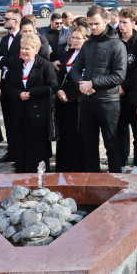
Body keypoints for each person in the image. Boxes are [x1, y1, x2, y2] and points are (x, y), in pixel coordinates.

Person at [68, 6, 127, 173]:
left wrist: (92, 83)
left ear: (106, 21)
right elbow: (75, 69)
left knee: (112, 145)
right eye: (90, 24)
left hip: (108, 102)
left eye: (96, 24)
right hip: (87, 102)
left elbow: (119, 76)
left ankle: (115, 180)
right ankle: (92, 180)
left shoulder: (117, 45)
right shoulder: (87, 45)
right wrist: (82, 84)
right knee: (89, 146)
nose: (93, 27)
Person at [6, 34, 57, 173]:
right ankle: (22, 172)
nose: (23, 51)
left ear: (36, 49)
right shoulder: (16, 65)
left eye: (27, 48)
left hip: (37, 113)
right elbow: (7, 86)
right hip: (19, 111)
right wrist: (18, 93)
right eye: (22, 48)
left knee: (37, 146)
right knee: (21, 144)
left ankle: (39, 175)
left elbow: (53, 86)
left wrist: (32, 93)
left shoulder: (45, 65)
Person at [116, 7, 137, 174]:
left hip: (134, 94)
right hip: (116, 94)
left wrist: (124, 86)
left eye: (124, 22)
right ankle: (120, 162)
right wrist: (116, 86)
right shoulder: (115, 41)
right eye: (120, 22)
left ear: (133, 23)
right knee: (119, 131)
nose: (121, 25)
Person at [54, 26, 88, 172]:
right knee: (64, 134)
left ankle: (76, 166)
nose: (74, 40)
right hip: (63, 99)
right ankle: (64, 165)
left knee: (76, 134)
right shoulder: (68, 54)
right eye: (72, 37)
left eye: (77, 38)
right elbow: (60, 74)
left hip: (77, 101)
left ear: (85, 40)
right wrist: (59, 91)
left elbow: (84, 79)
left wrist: (70, 97)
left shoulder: (87, 56)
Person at [0, 7, 24, 163]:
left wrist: (4, 60)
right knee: (8, 121)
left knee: (18, 121)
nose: (3, 21)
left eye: (6, 19)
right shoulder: (5, 39)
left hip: (17, 85)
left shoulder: (23, 38)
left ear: (16, 21)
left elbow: (19, 62)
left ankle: (19, 153)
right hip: (4, 85)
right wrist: (5, 61)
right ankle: (11, 151)